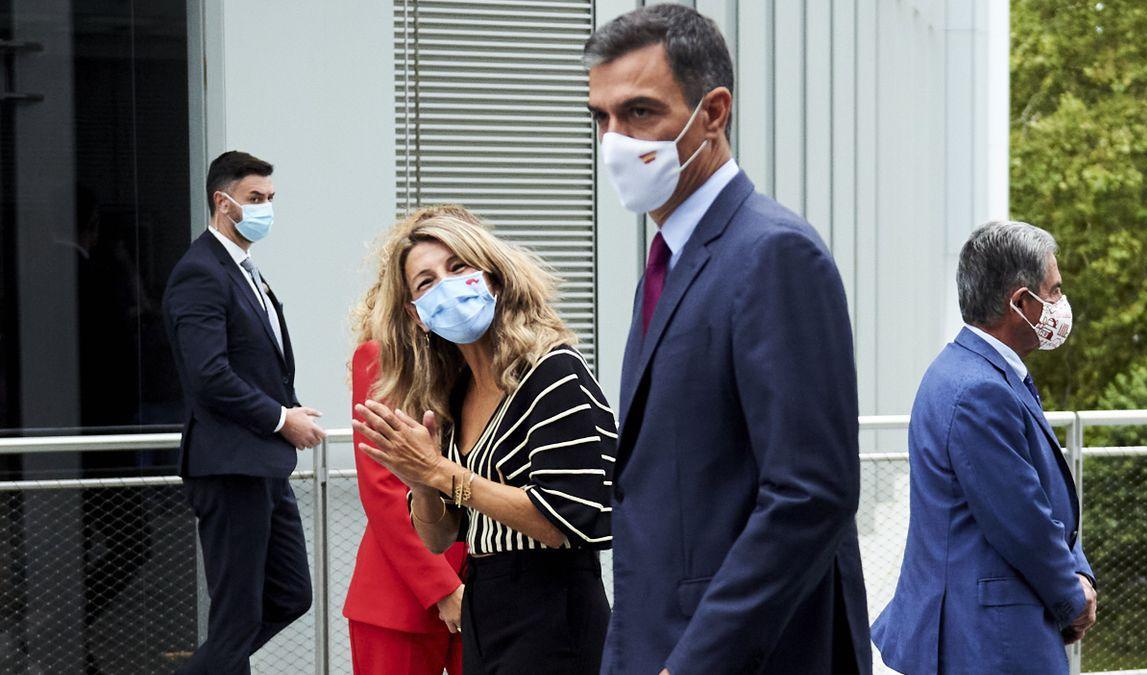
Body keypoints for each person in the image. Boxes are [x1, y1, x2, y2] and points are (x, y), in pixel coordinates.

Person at [583, 6, 871, 674]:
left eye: (640, 113)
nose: (614, 140)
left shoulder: (773, 255)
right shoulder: (670, 261)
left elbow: (811, 493)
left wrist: (696, 661)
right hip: (655, 639)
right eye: (600, 117)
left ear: (712, 113)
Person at [353, 205, 614, 674]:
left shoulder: (552, 372)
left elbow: (563, 521)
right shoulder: (452, 394)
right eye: (426, 282)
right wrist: (422, 482)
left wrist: (440, 472)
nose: (446, 286)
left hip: (552, 602)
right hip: (486, 596)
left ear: (492, 278)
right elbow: (439, 537)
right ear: (417, 316)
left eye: (458, 267)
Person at [872, 221, 1098, 674]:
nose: (1061, 305)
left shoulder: (972, 372)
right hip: (989, 642)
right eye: (1054, 292)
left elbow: (1038, 499)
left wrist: (1079, 573)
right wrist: (1072, 595)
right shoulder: (979, 390)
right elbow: (1022, 518)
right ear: (1020, 302)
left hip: (983, 630)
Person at [163, 151, 323, 673]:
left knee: (291, 594)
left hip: (263, 464)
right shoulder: (201, 272)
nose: (265, 209)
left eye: (271, 200)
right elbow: (208, 375)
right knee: (236, 620)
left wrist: (291, 408)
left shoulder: (245, 270)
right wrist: (281, 419)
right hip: (230, 465)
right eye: (255, 199)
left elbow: (258, 363)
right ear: (222, 201)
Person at [342, 306, 467, 672]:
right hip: (402, 594)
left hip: (488, 585)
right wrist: (442, 587)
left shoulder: (487, 358)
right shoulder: (381, 357)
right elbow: (382, 487)